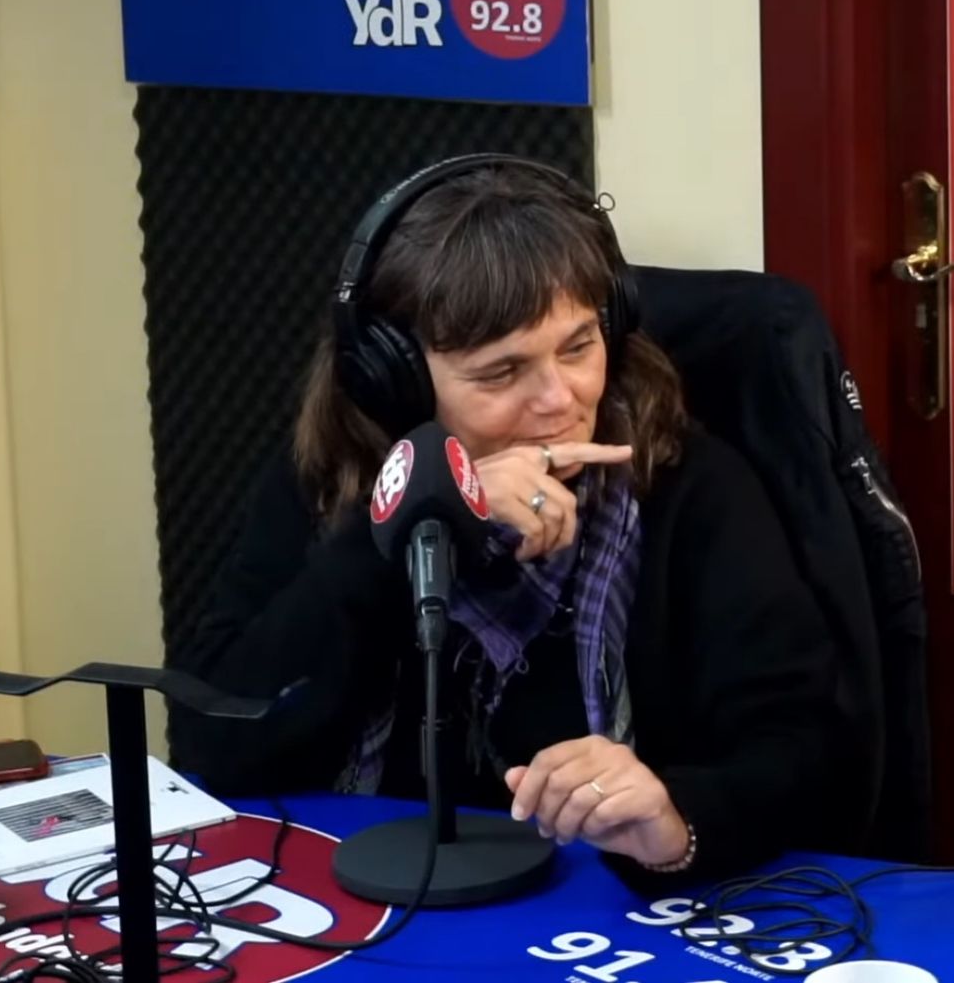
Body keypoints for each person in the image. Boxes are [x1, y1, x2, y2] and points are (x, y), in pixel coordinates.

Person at [168, 155, 864, 887]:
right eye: (501, 372)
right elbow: (213, 740)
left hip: (604, 909)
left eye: (579, 347)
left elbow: (806, 750)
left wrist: (676, 817)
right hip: (364, 895)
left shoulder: (690, 487)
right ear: (397, 378)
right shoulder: (332, 480)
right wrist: (394, 533)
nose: (559, 398)